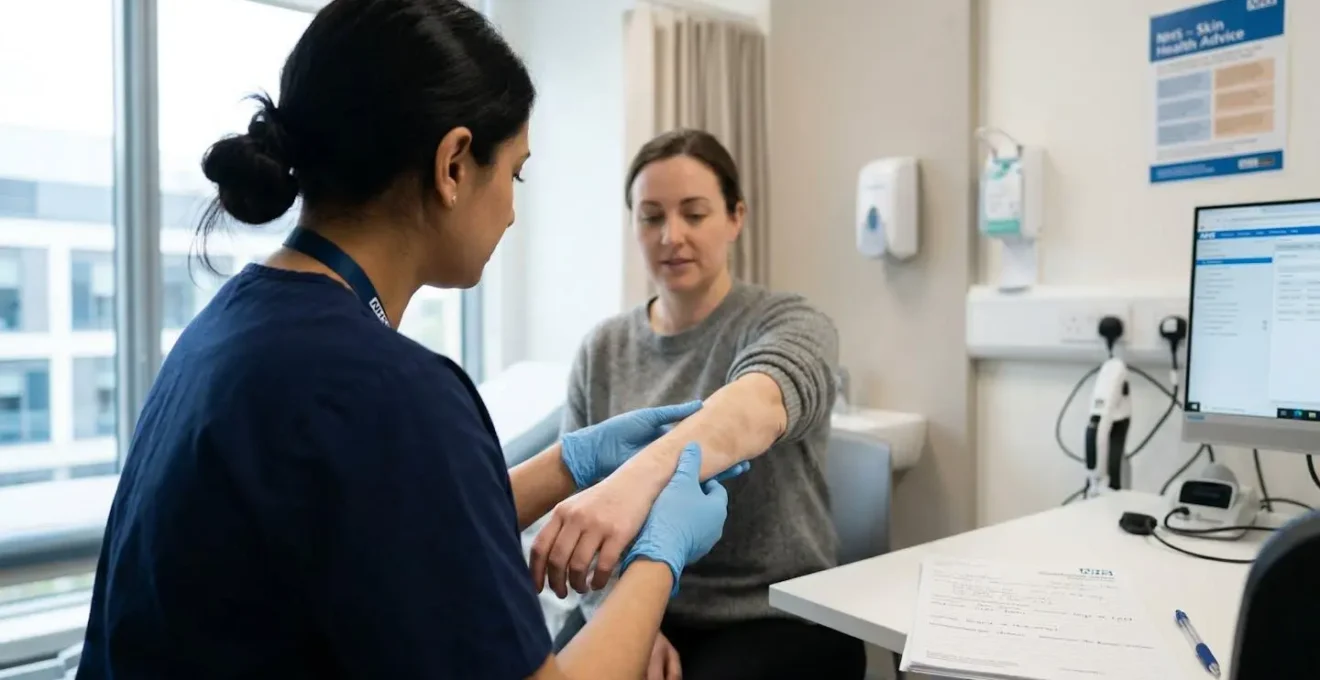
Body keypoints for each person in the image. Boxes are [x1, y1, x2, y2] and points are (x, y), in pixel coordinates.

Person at [75, 2, 733, 678]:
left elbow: (380, 525)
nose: (511, 207)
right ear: (453, 165)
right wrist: (660, 555)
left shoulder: (225, 330)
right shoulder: (394, 390)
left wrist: (568, 466)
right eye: (515, 174)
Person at [530, 129, 867, 679]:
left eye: (694, 213)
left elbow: (757, 403)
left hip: (768, 612)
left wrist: (635, 480)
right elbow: (577, 506)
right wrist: (626, 616)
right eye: (652, 216)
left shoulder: (788, 322)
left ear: (736, 217)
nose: (672, 236)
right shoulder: (602, 348)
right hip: (636, 597)